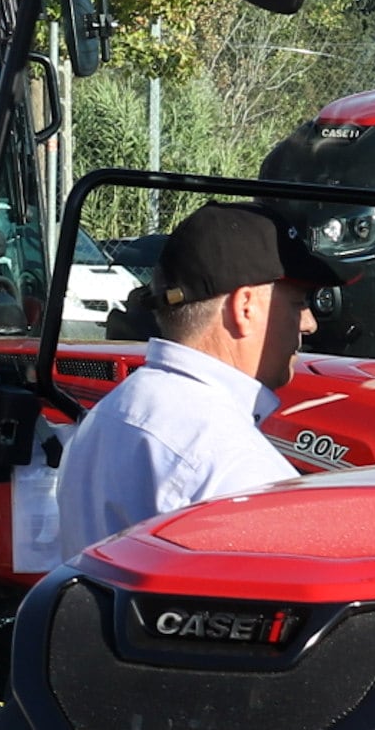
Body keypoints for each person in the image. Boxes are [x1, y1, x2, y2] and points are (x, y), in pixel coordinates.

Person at [53, 203, 327, 554]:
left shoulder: (106, 417)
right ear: (245, 308)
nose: (309, 323)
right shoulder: (237, 470)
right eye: (297, 303)